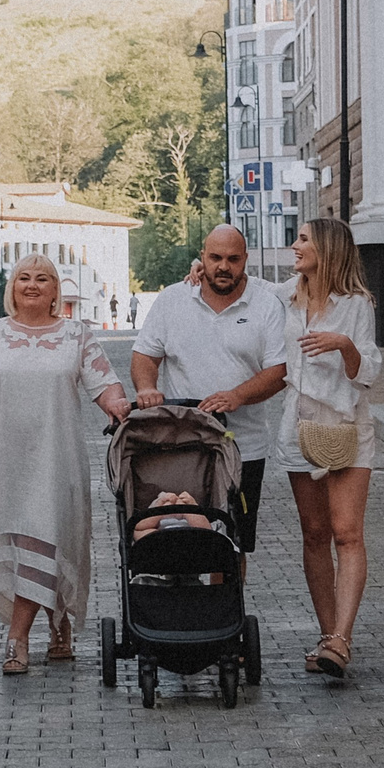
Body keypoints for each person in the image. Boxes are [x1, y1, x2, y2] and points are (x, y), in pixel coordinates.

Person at [0, 254, 131, 676]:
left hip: (59, 457)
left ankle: (17, 637)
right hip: (7, 457)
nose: (31, 285)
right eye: (23, 278)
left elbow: (104, 383)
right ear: (11, 287)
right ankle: (58, 622)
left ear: (56, 291)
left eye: (42, 279)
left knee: (48, 537)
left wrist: (118, 405)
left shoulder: (77, 335)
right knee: (25, 541)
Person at [130, 224, 282, 554]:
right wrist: (146, 388)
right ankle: (177, 598)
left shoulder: (266, 305)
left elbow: (279, 371)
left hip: (243, 447)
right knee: (171, 533)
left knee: (232, 544)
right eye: (215, 257)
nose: (223, 266)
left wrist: (238, 395)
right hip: (180, 447)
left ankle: (225, 604)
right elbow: (145, 355)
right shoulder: (172, 300)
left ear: (246, 260)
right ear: (202, 258)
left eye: (232, 259)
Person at [273, 217, 381, 681]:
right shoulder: (285, 298)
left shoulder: (356, 305)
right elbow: (242, 285)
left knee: (346, 533)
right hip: (301, 428)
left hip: (348, 427)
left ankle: (342, 637)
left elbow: (369, 372)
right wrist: (199, 269)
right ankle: (326, 638)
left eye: (303, 240)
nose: (295, 247)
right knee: (314, 533)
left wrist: (344, 345)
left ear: (328, 250)